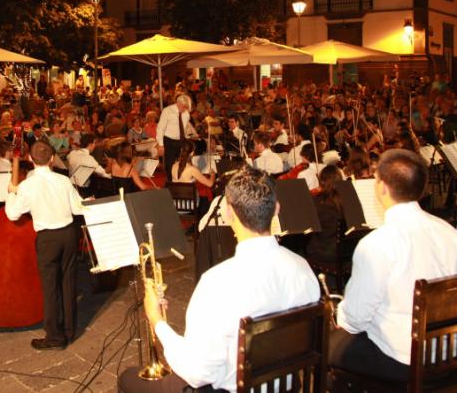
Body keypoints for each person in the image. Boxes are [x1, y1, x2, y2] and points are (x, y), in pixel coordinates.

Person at [117, 166, 321, 392]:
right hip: (286, 386)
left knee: (128, 379)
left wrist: (157, 321)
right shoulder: (303, 269)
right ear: (277, 209)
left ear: (228, 213)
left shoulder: (217, 282)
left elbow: (197, 373)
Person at [330, 149, 457, 383]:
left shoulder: (376, 244)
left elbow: (354, 320)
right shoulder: (452, 233)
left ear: (382, 187)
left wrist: (337, 314)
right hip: (451, 350)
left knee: (328, 342)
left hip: (406, 359)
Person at [5, 141, 86, 350]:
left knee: (50, 287)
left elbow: (12, 214)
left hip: (47, 238)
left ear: (30, 160)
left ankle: (54, 337)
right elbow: (78, 209)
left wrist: (11, 192)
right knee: (68, 282)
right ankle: (69, 330)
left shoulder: (26, 186)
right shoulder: (63, 180)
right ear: (52, 159)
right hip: (69, 234)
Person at [156, 94, 194, 174]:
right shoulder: (167, 111)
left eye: (186, 107)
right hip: (168, 140)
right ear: (178, 103)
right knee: (169, 163)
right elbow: (160, 128)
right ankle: (170, 182)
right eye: (184, 107)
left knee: (183, 161)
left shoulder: (186, 113)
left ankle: (180, 179)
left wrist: (190, 136)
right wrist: (161, 145)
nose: (185, 109)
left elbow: (184, 128)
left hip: (180, 140)